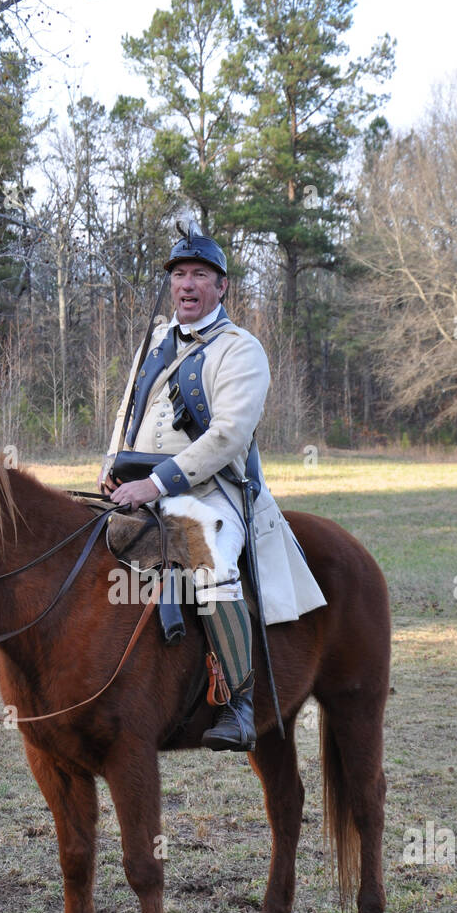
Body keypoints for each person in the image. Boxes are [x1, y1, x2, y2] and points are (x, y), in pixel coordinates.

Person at [99, 226, 326, 751]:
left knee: (211, 562)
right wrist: (112, 463)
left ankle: (238, 703)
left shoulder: (241, 351)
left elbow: (228, 436)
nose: (186, 284)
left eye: (199, 275)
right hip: (140, 485)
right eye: (179, 275)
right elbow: (127, 408)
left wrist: (156, 483)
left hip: (211, 492)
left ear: (222, 287)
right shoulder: (154, 343)